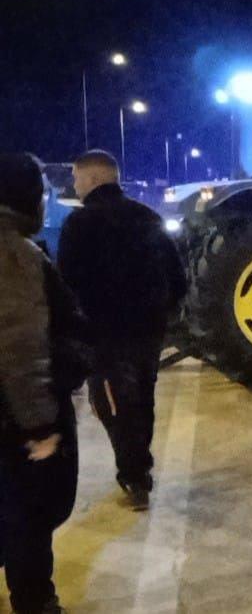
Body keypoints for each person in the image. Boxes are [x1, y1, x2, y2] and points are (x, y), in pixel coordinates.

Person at [57, 150, 187, 511]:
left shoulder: (79, 225)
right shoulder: (147, 216)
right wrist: (164, 313)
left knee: (112, 402)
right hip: (148, 329)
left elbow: (66, 283)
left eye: (78, 178)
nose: (75, 185)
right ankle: (138, 467)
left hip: (103, 333)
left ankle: (134, 473)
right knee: (141, 396)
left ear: (94, 179)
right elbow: (177, 274)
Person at [0, 153, 89, 614]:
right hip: (14, 425)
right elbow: (18, 348)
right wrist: (40, 427)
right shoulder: (15, 254)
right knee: (27, 520)